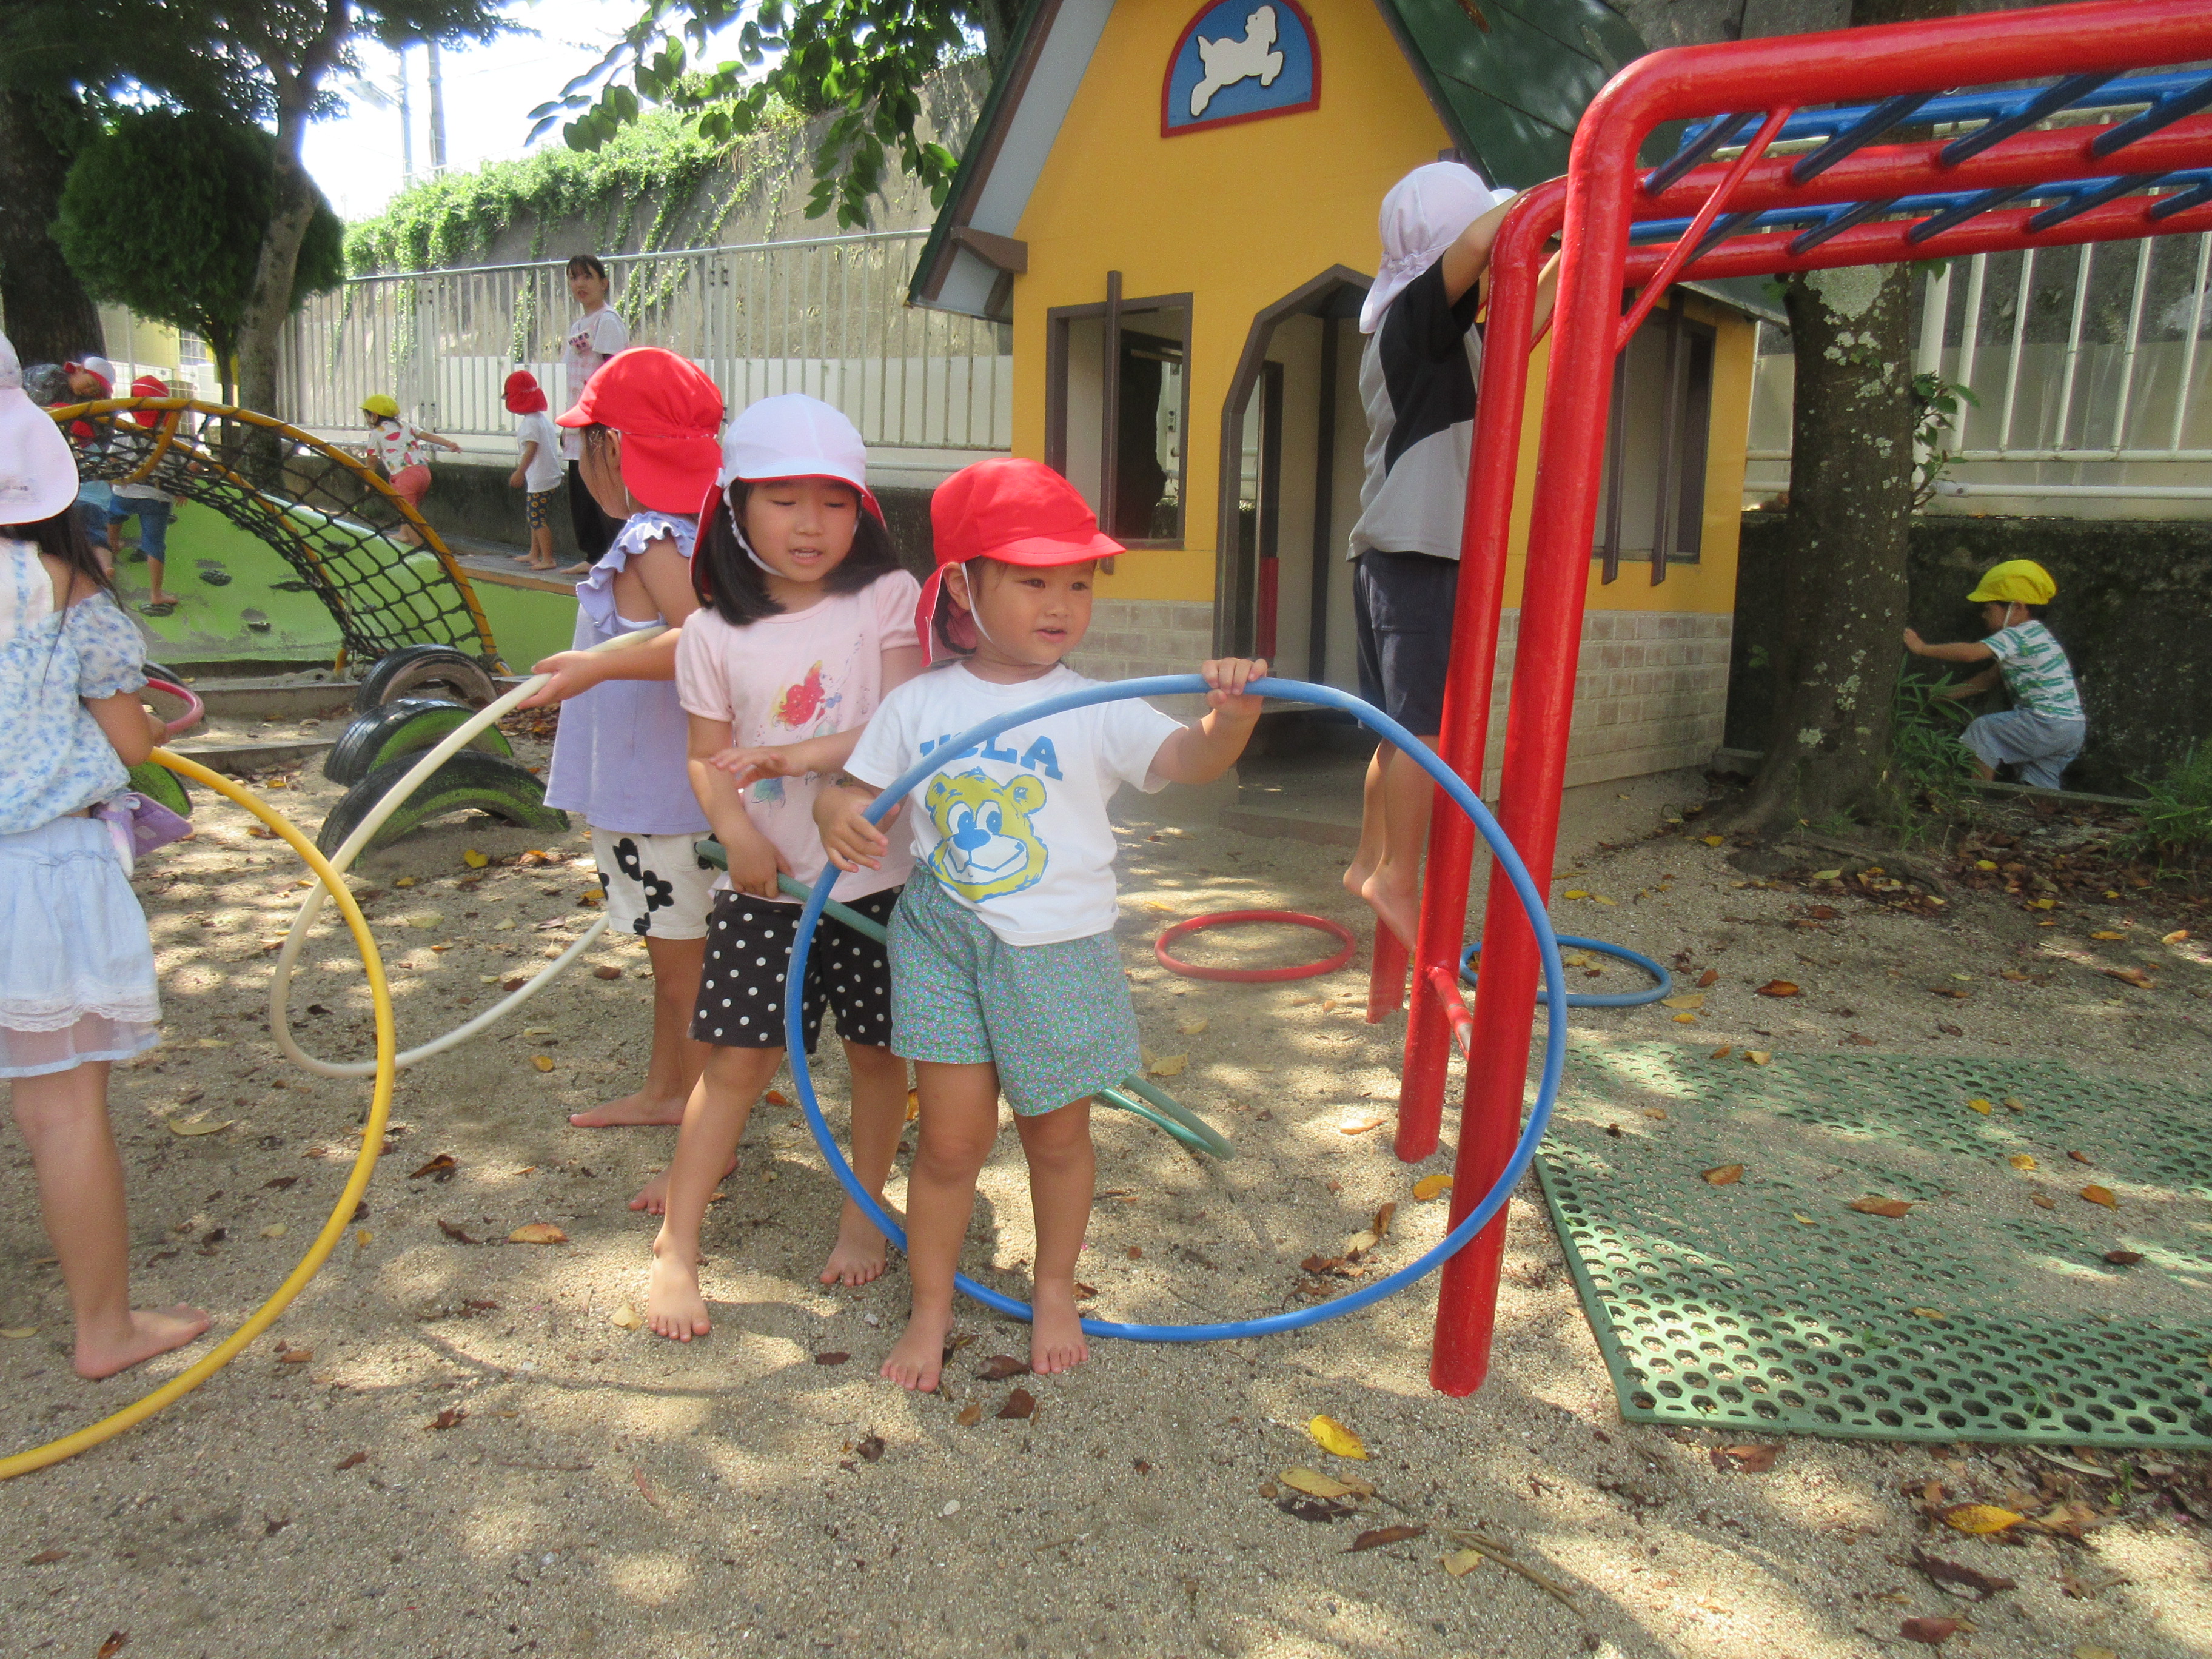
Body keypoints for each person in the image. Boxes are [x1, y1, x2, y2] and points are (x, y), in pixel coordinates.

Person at [815, 458, 1269, 1390]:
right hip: (943, 941)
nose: (1061, 604)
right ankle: (933, 1305)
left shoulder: (1095, 706)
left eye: (1079, 583)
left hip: (1057, 950)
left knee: (1055, 1137)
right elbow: (857, 791)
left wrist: (1230, 721)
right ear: (962, 587)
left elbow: (1188, 760)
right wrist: (837, 813)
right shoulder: (919, 704)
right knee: (950, 1143)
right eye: (1032, 581)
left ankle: (1054, 1286)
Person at [643, 394, 924, 1338]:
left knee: (878, 1057)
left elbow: (899, 723)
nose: (812, 524)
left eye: (835, 502)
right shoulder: (713, 632)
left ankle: (863, 1210)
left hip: (879, 880)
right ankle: (678, 1247)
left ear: (862, 511)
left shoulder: (885, 598)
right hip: (768, 890)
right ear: (735, 507)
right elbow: (704, 755)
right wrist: (738, 829)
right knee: (738, 1063)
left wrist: (803, 761)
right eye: (784, 500)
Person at [0, 331, 212, 1379]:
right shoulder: (64, 588)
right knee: (61, 1109)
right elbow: (130, 744)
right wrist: (155, 725)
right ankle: (105, 1328)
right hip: (38, 874)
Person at [519, 347, 723, 1141]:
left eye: (583, 443)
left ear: (614, 448)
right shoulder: (701, 532)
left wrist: (597, 668)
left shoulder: (652, 537)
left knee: (684, 977)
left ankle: (705, 1137)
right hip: (662, 797)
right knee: (671, 963)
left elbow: (705, 645)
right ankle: (667, 1093)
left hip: (661, 803)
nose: (578, 460)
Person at [1342, 161, 1529, 950]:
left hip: (1395, 550)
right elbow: (1481, 243)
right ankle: (1397, 876)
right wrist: (1554, 194)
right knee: (1424, 734)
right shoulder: (1415, 320)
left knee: (1400, 731)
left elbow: (1534, 311)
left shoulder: (1452, 338)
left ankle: (1368, 862)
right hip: (1414, 550)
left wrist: (1570, 246)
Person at [1904, 559, 2086, 789]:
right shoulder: (2039, 638)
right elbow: (1987, 680)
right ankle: (2045, 810)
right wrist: (1943, 694)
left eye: (1988, 608)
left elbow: (1970, 653)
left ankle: (1977, 797)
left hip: (2045, 722)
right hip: (2072, 728)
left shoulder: (2017, 635)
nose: (1983, 615)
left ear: (2017, 608)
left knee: (1984, 731)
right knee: (2040, 782)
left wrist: (1922, 648)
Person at [559, 255, 631, 573]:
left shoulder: (608, 321)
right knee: (583, 491)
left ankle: (615, 559)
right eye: (574, 278)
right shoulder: (578, 326)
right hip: (580, 421)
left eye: (587, 277)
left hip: (599, 421)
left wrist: (601, 418)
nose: (580, 284)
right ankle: (594, 557)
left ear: (604, 283)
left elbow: (613, 372)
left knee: (604, 491)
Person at [109, 374, 182, 614]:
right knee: (154, 543)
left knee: (114, 519)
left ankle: (112, 548)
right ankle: (156, 594)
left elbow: (112, 458)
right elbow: (178, 468)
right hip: (156, 497)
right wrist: (182, 489)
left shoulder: (126, 432)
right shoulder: (168, 438)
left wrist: (119, 475)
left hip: (125, 492)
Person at [360, 394, 460, 546]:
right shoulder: (406, 426)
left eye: (367, 415)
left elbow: (372, 460)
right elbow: (427, 436)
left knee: (409, 515)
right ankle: (403, 534)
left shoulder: (376, 433)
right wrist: (449, 444)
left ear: (374, 416)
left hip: (404, 477)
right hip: (423, 473)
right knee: (408, 508)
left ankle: (420, 547)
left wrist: (369, 481)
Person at [503, 369, 563, 572]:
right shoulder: (541, 420)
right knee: (535, 517)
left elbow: (531, 449)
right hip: (548, 476)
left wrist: (520, 472)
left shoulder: (530, 423)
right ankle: (534, 553)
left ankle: (548, 558)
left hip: (540, 478)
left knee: (537, 519)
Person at [63, 355, 117, 550]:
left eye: (94, 391)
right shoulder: (53, 379)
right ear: (80, 370)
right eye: (89, 385)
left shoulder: (81, 405)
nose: (88, 392)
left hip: (81, 496)